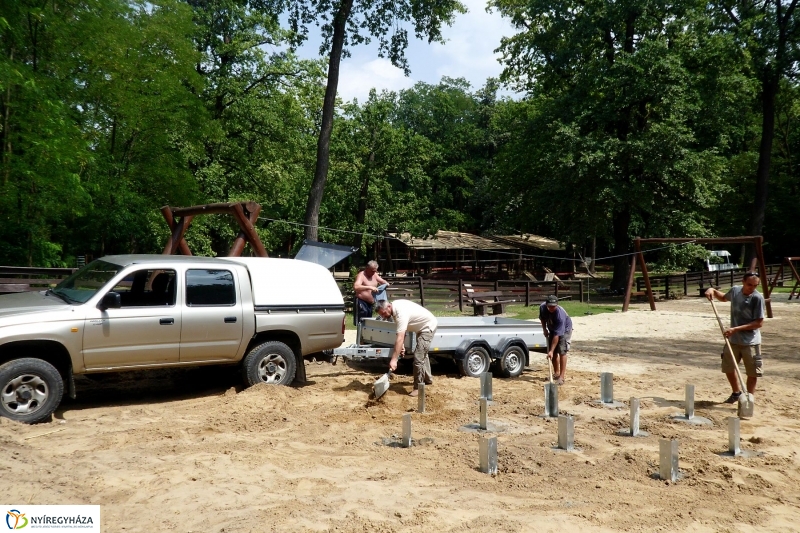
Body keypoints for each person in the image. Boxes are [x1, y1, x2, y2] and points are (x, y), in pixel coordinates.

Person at [705, 272, 765, 404]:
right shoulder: (735, 291)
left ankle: (748, 399)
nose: (752, 288)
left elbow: (759, 323)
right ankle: (736, 393)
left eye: (755, 285)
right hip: (733, 340)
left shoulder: (757, 298)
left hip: (751, 342)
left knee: (752, 372)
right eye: (749, 284)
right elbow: (722, 298)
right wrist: (712, 290)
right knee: (728, 367)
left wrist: (735, 329)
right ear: (743, 282)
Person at [375, 299, 437, 397]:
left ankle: (418, 388)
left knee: (418, 358)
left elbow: (399, 338)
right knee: (422, 355)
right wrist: (402, 346)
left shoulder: (400, 313)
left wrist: (394, 360)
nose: (383, 317)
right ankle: (428, 379)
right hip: (420, 327)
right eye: (381, 315)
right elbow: (401, 333)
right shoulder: (394, 309)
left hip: (427, 327)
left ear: (388, 307)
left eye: (383, 313)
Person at [539, 295, 573, 385]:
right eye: (549, 306)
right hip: (552, 328)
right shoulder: (542, 307)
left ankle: (561, 377)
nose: (551, 308)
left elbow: (557, 335)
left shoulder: (560, 315)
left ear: (557, 305)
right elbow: (542, 318)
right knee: (553, 353)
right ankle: (556, 373)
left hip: (565, 330)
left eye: (553, 306)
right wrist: (544, 329)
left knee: (562, 351)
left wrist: (551, 350)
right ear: (546, 305)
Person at [353, 261, 388, 325]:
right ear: (367, 268)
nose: (374, 272)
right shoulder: (361, 275)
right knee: (360, 322)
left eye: (375, 271)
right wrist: (369, 287)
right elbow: (356, 287)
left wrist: (385, 283)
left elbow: (381, 280)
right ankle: (359, 334)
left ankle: (366, 335)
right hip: (361, 301)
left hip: (370, 303)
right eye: (372, 271)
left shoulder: (374, 274)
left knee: (368, 322)